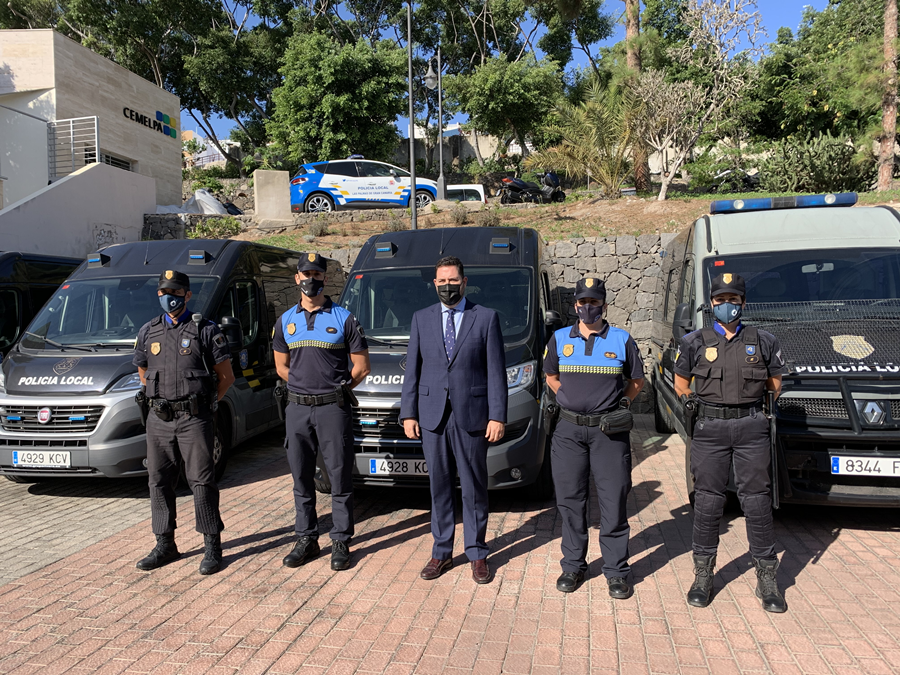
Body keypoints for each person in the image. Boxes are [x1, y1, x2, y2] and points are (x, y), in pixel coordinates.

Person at [674, 272, 788, 613]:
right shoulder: (695, 342)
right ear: (711, 304)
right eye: (721, 300)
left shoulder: (762, 340)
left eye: (733, 300)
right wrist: (691, 400)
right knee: (708, 501)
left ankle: (767, 576)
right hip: (710, 428)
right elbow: (682, 382)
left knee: (756, 500)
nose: (727, 306)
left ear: (742, 303)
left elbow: (775, 381)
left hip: (751, 426)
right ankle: (703, 574)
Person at [400, 256, 507, 584]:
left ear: (464, 281)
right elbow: (413, 372)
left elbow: (495, 372)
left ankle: (476, 552)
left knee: (474, 487)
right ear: (435, 284)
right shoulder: (421, 319)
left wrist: (497, 415)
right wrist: (408, 413)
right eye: (441, 282)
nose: (447, 286)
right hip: (432, 418)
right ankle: (441, 551)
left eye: (452, 281)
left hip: (472, 417)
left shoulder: (486, 318)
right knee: (439, 486)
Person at [543, 277, 645, 596]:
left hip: (608, 432)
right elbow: (550, 375)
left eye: (594, 302)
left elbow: (637, 380)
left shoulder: (621, 339)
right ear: (575, 305)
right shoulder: (559, 339)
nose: (588, 308)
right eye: (583, 302)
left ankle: (616, 571)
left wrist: (623, 404)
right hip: (568, 431)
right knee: (571, 501)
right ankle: (573, 566)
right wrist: (568, 399)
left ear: (604, 304)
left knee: (613, 498)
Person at [133, 270, 235, 575]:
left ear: (187, 295)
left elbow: (226, 376)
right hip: (159, 420)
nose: (169, 297)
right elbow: (142, 373)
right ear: (158, 294)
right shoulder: (148, 331)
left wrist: (203, 403)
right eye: (164, 292)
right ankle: (165, 544)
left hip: (195, 418)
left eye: (176, 292)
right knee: (158, 480)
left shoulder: (205, 330)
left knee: (201, 481)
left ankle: (211, 546)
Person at [274, 253, 370, 571]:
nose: (310, 278)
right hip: (297, 409)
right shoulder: (285, 321)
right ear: (296, 278)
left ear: (324, 278)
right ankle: (307, 539)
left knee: (339, 475)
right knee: (301, 477)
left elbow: (362, 366)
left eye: (316, 273)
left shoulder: (344, 318)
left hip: (333, 409)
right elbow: (281, 366)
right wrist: (303, 387)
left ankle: (341, 539)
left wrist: (339, 389)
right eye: (305, 273)